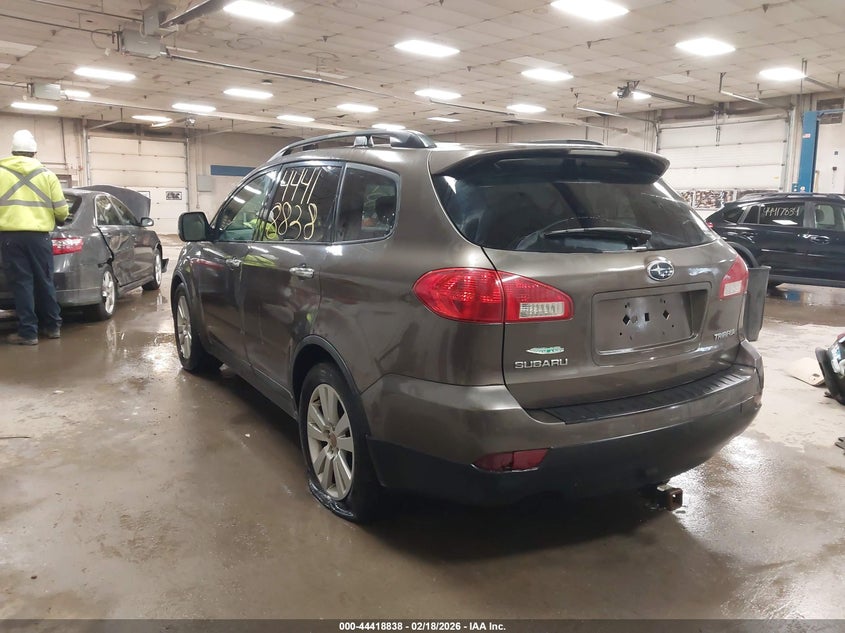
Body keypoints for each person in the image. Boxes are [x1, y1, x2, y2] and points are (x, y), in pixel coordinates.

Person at [0, 129, 69, 345]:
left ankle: (28, 333)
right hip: (39, 237)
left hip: (10, 237)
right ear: (35, 152)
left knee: (22, 284)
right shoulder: (47, 175)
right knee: (45, 281)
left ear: (12, 151)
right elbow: (61, 211)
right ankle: (52, 326)